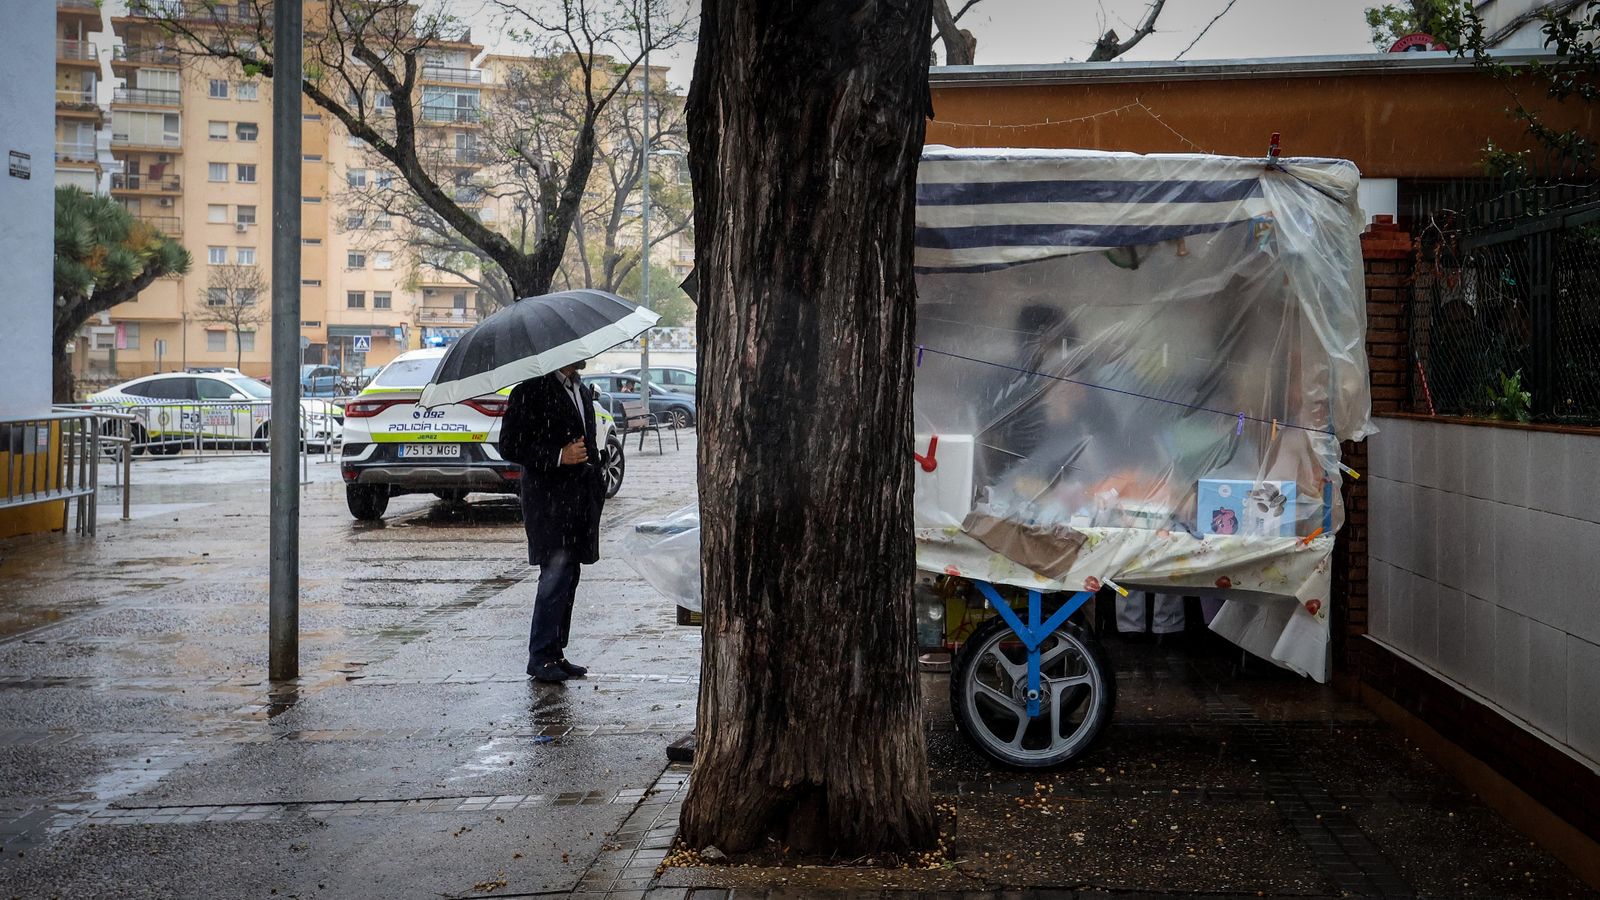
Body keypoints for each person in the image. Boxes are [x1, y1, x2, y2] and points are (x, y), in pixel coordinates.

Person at [499, 361, 606, 683]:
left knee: (569, 576)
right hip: (549, 502)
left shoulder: (581, 389)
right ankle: (540, 657)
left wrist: (595, 475)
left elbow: (586, 442)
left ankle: (556, 652)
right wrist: (558, 455)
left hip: (579, 502)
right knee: (555, 575)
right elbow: (510, 445)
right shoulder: (530, 391)